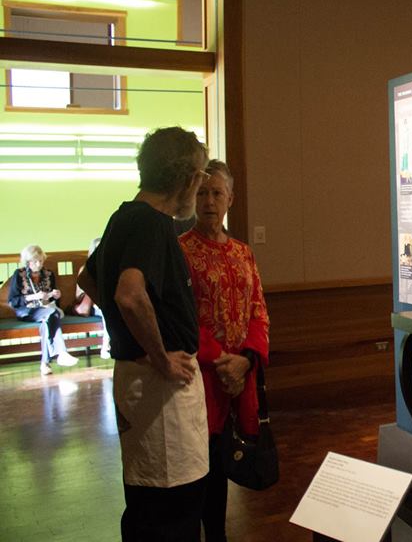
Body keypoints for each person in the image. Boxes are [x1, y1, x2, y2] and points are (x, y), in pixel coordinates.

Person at [77, 126, 210, 541]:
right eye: (201, 176)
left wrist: (122, 325)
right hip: (161, 390)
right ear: (187, 178)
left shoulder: (124, 216)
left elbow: (87, 278)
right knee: (173, 509)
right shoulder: (152, 224)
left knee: (148, 507)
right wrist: (160, 357)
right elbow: (129, 295)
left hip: (143, 383)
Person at [178, 159, 270, 542]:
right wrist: (221, 362)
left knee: (230, 460)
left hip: (240, 377)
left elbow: (258, 310)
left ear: (230, 198)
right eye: (202, 192)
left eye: (217, 192)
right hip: (202, 379)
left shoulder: (242, 253)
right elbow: (181, 317)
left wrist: (246, 360)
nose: (209, 201)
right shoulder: (180, 250)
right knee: (203, 471)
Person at [8, 244, 79, 375]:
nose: (39, 264)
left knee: (48, 321)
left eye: (41, 260)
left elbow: (53, 301)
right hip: (27, 310)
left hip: (46, 310)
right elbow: (13, 301)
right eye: (35, 261)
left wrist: (55, 296)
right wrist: (34, 296)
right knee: (52, 314)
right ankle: (61, 353)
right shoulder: (19, 274)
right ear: (28, 261)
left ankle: (44, 363)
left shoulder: (49, 274)